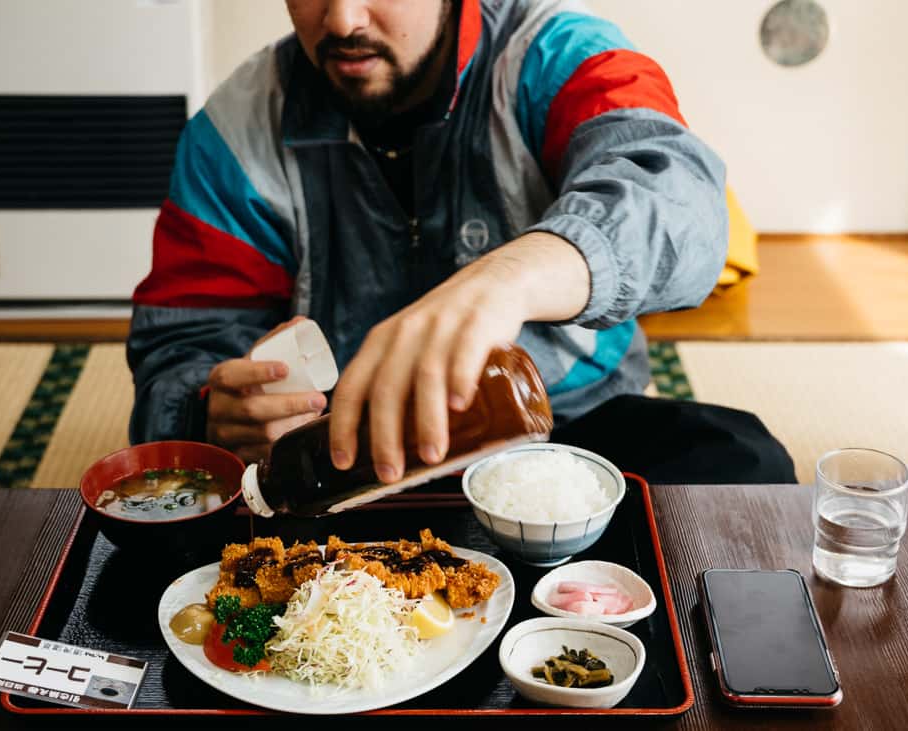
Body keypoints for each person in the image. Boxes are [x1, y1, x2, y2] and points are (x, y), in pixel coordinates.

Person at [128, 0, 796, 485]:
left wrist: (513, 276)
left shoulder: (556, 54)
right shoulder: (233, 129)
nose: (341, 20)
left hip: (564, 429)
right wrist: (211, 410)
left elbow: (681, 199)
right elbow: (181, 343)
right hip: (350, 459)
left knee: (746, 464)